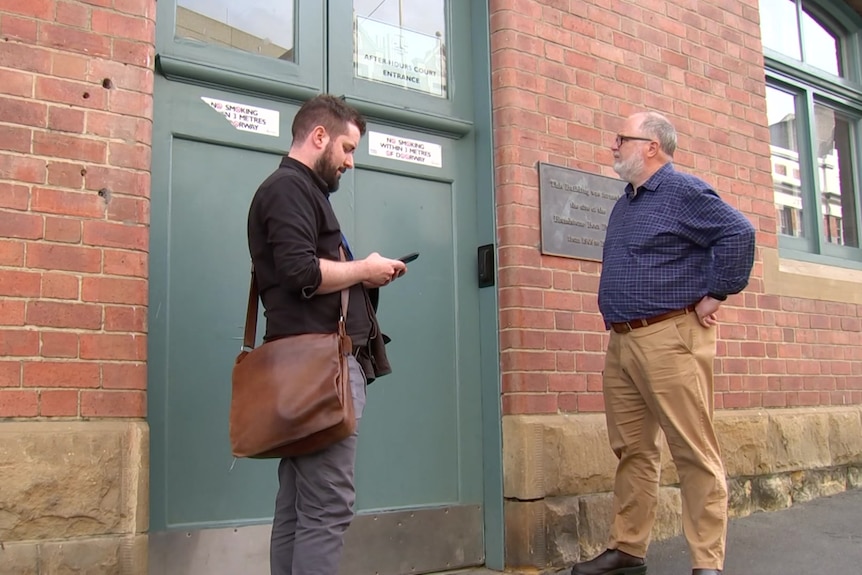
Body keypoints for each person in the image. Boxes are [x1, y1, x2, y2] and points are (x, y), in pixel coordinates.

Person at [571, 112, 756, 575]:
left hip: (670, 338)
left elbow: (739, 232)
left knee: (693, 450)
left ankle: (707, 564)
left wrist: (717, 292)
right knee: (632, 449)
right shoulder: (626, 202)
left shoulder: (683, 191)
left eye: (622, 138)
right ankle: (628, 550)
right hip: (623, 343)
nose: (613, 145)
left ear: (651, 146)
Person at [246, 94, 407, 575]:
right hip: (319, 371)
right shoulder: (289, 189)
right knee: (327, 507)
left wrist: (365, 274)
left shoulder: (294, 191)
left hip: (306, 368)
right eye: (347, 148)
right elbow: (301, 272)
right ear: (319, 137)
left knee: (299, 508)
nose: (350, 162)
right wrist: (364, 269)